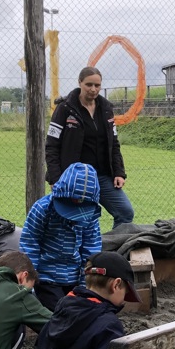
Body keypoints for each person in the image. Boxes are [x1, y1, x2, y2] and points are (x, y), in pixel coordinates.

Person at [45, 66, 134, 228]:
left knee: (125, 213)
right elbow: (52, 146)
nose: (93, 89)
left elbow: (114, 143)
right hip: (74, 179)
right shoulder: (64, 109)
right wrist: (55, 179)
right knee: (80, 222)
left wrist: (119, 172)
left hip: (102, 176)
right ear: (80, 82)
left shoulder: (106, 109)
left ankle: (113, 244)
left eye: (97, 85)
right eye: (89, 85)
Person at [20, 161, 102, 312]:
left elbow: (91, 251)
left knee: (81, 311)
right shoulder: (43, 209)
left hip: (74, 277)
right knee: (60, 312)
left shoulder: (90, 217)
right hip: (46, 277)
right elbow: (30, 244)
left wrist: (84, 285)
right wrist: (30, 280)